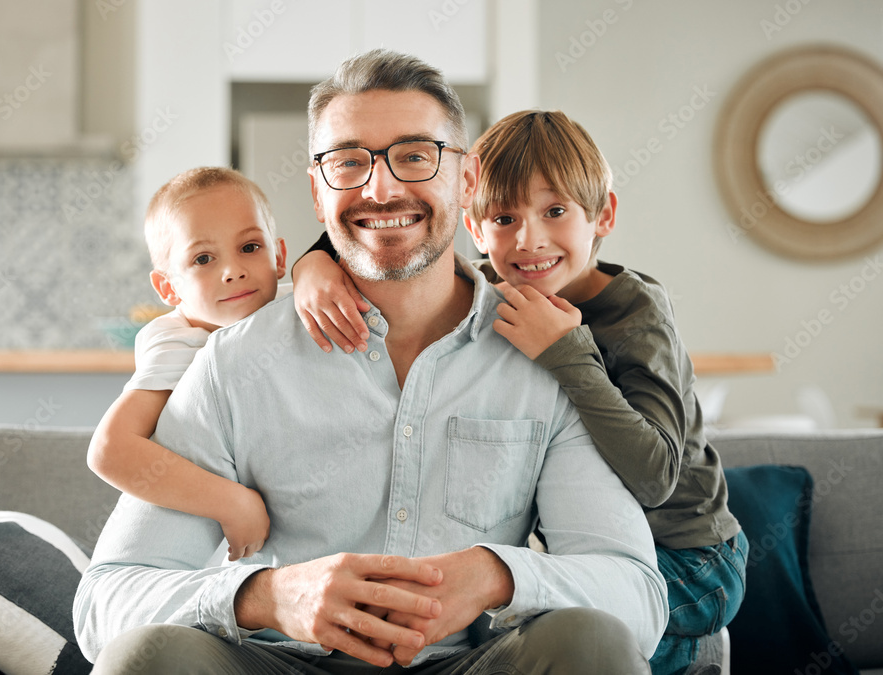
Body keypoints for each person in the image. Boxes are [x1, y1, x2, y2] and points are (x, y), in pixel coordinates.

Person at [75, 51, 666, 674]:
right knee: (149, 655)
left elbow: (637, 598)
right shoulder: (235, 364)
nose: (380, 190)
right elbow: (104, 603)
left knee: (591, 644)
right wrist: (266, 596)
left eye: (415, 156)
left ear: (465, 183)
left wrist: (499, 575)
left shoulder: (546, 356)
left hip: (471, 663)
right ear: (316, 189)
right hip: (282, 663)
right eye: (348, 162)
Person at [293, 109, 747, 674]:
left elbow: (655, 477)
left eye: (555, 211)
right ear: (474, 227)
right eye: (504, 217)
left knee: (567, 627)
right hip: (569, 546)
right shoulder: (489, 291)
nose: (528, 240)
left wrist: (567, 352)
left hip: (687, 558)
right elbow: (394, 249)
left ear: (602, 214)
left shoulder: (637, 314)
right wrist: (314, 263)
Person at [87, 167, 285, 561]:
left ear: (279, 256)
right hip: (207, 548)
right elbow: (110, 450)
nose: (233, 271)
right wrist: (233, 504)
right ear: (167, 287)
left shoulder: (283, 309)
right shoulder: (181, 343)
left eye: (250, 247)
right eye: (203, 258)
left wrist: (318, 267)